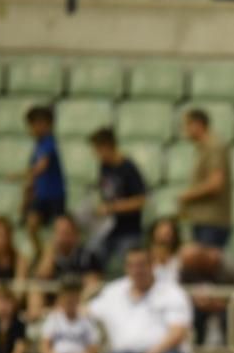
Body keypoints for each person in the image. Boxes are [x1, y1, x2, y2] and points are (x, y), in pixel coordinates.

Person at [89, 127, 147, 273]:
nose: (95, 154)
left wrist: (112, 208)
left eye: (97, 149)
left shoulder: (128, 168)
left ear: (107, 146)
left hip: (128, 231)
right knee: (93, 259)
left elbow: (140, 200)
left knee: (131, 269)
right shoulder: (104, 167)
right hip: (107, 229)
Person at [12, 106, 66, 255]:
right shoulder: (38, 146)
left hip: (55, 195)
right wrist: (26, 200)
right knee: (31, 226)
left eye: (34, 125)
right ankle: (40, 254)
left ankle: (52, 257)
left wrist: (20, 175)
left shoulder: (49, 142)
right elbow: (32, 178)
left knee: (59, 230)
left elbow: (42, 167)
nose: (31, 129)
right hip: (40, 196)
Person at [26, 213, 102, 318]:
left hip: (78, 304)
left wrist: (66, 302)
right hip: (53, 304)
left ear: (75, 235)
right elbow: (42, 277)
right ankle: (36, 324)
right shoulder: (49, 254)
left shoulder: (87, 256)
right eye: (58, 232)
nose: (62, 237)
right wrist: (49, 254)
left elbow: (93, 285)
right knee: (35, 288)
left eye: (66, 232)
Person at [180, 110, 233, 249]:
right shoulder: (203, 147)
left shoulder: (213, 146)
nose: (184, 130)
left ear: (198, 124)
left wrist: (187, 196)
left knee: (204, 265)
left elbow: (216, 183)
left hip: (212, 222)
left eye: (187, 125)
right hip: (204, 221)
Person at [148, 216, 183, 283]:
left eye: (170, 229)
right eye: (161, 228)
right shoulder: (145, 257)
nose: (166, 231)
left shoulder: (181, 256)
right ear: (153, 232)